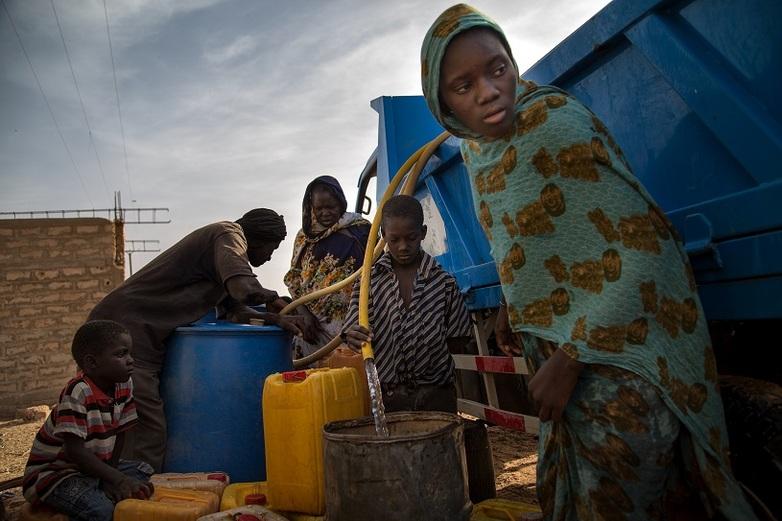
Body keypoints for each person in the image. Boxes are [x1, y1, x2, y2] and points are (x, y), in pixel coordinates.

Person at [420, 5, 758, 520]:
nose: (488, 91)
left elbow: (647, 249)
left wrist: (571, 357)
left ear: (512, 62)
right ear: (443, 104)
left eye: (497, 68)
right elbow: (525, 243)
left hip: (621, 363)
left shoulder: (555, 124)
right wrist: (516, 304)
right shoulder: (477, 155)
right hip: (561, 364)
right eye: (463, 86)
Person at [88, 208, 302, 471]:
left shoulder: (221, 258)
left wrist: (277, 320)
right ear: (260, 238)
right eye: (272, 248)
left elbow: (236, 312)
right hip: (124, 334)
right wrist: (275, 300)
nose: (270, 258)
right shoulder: (228, 234)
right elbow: (244, 290)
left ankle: (113, 485)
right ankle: (136, 497)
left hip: (128, 335)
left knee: (120, 424)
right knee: (147, 430)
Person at [341, 195, 472, 413]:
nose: (403, 247)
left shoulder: (444, 283)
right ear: (384, 236)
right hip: (389, 396)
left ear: (422, 233)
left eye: (411, 238)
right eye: (395, 240)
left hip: (437, 395)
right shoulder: (368, 282)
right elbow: (352, 329)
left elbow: (457, 340)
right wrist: (353, 335)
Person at [22, 320, 154, 521]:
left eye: (129, 353)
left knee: (143, 471)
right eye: (121, 354)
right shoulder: (77, 393)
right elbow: (74, 451)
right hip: (56, 474)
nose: (130, 360)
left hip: (91, 469)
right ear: (92, 363)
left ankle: (96, 491)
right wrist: (116, 479)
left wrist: (112, 476)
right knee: (102, 511)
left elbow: (120, 433)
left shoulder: (124, 385)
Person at [284, 175, 371, 358]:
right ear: (311, 207)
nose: (325, 212)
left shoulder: (361, 230)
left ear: (341, 203)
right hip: (313, 329)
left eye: (331, 207)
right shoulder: (304, 237)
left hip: (351, 326)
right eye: (319, 208)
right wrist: (304, 314)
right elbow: (294, 279)